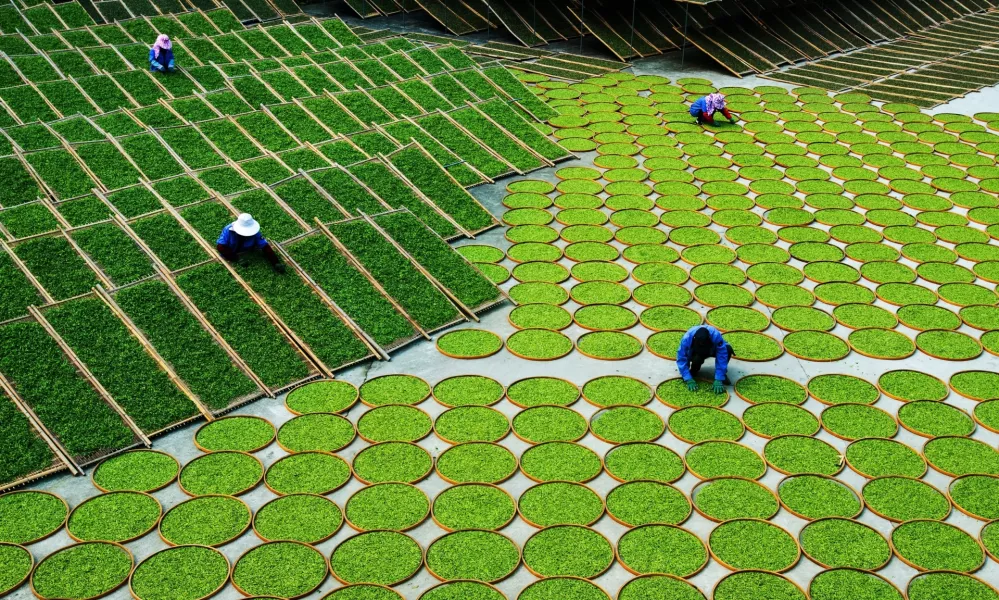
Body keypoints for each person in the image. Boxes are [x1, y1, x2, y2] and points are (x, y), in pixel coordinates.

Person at [216, 213, 286, 273]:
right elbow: (220, 247)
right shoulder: (228, 230)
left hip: (248, 249)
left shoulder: (255, 233)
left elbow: (265, 246)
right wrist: (236, 258)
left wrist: (275, 262)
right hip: (232, 250)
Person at [676, 325, 733, 394]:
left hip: (712, 349)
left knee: (727, 349)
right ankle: (694, 370)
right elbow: (681, 358)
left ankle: (722, 374)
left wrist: (719, 377)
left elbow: (722, 356)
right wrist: (687, 377)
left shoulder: (715, 335)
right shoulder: (687, 338)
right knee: (696, 358)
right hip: (695, 352)